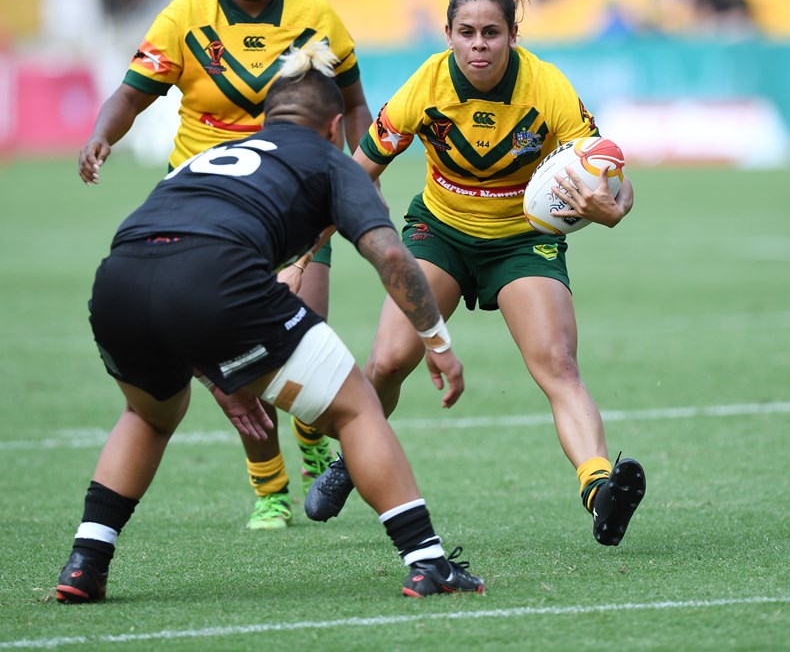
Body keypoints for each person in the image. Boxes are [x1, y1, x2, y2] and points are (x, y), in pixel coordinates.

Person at [56, 43, 485, 603]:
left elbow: (168, 264)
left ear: (266, 121)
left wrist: (217, 373)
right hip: (214, 280)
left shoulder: (212, 155)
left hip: (119, 282)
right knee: (358, 406)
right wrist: (436, 341)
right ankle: (428, 561)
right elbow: (392, 256)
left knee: (149, 413)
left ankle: (86, 562)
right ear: (334, 126)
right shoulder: (332, 160)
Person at [305, 0, 646, 547]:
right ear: (449, 35)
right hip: (441, 235)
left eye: (492, 33)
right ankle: (350, 459)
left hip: (523, 241)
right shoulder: (423, 88)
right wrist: (329, 236)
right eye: (467, 34)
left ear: (514, 36)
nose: (479, 45)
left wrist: (614, 206)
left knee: (557, 361)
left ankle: (600, 486)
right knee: (387, 362)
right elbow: (359, 169)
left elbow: (611, 173)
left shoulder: (548, 89)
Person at [79, 0, 375, 530]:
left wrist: (356, 171)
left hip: (295, 203)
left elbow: (353, 102)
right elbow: (130, 97)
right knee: (236, 362)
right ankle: (269, 489)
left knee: (299, 337)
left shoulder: (316, 16)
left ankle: (309, 433)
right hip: (203, 215)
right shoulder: (184, 17)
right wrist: (104, 133)